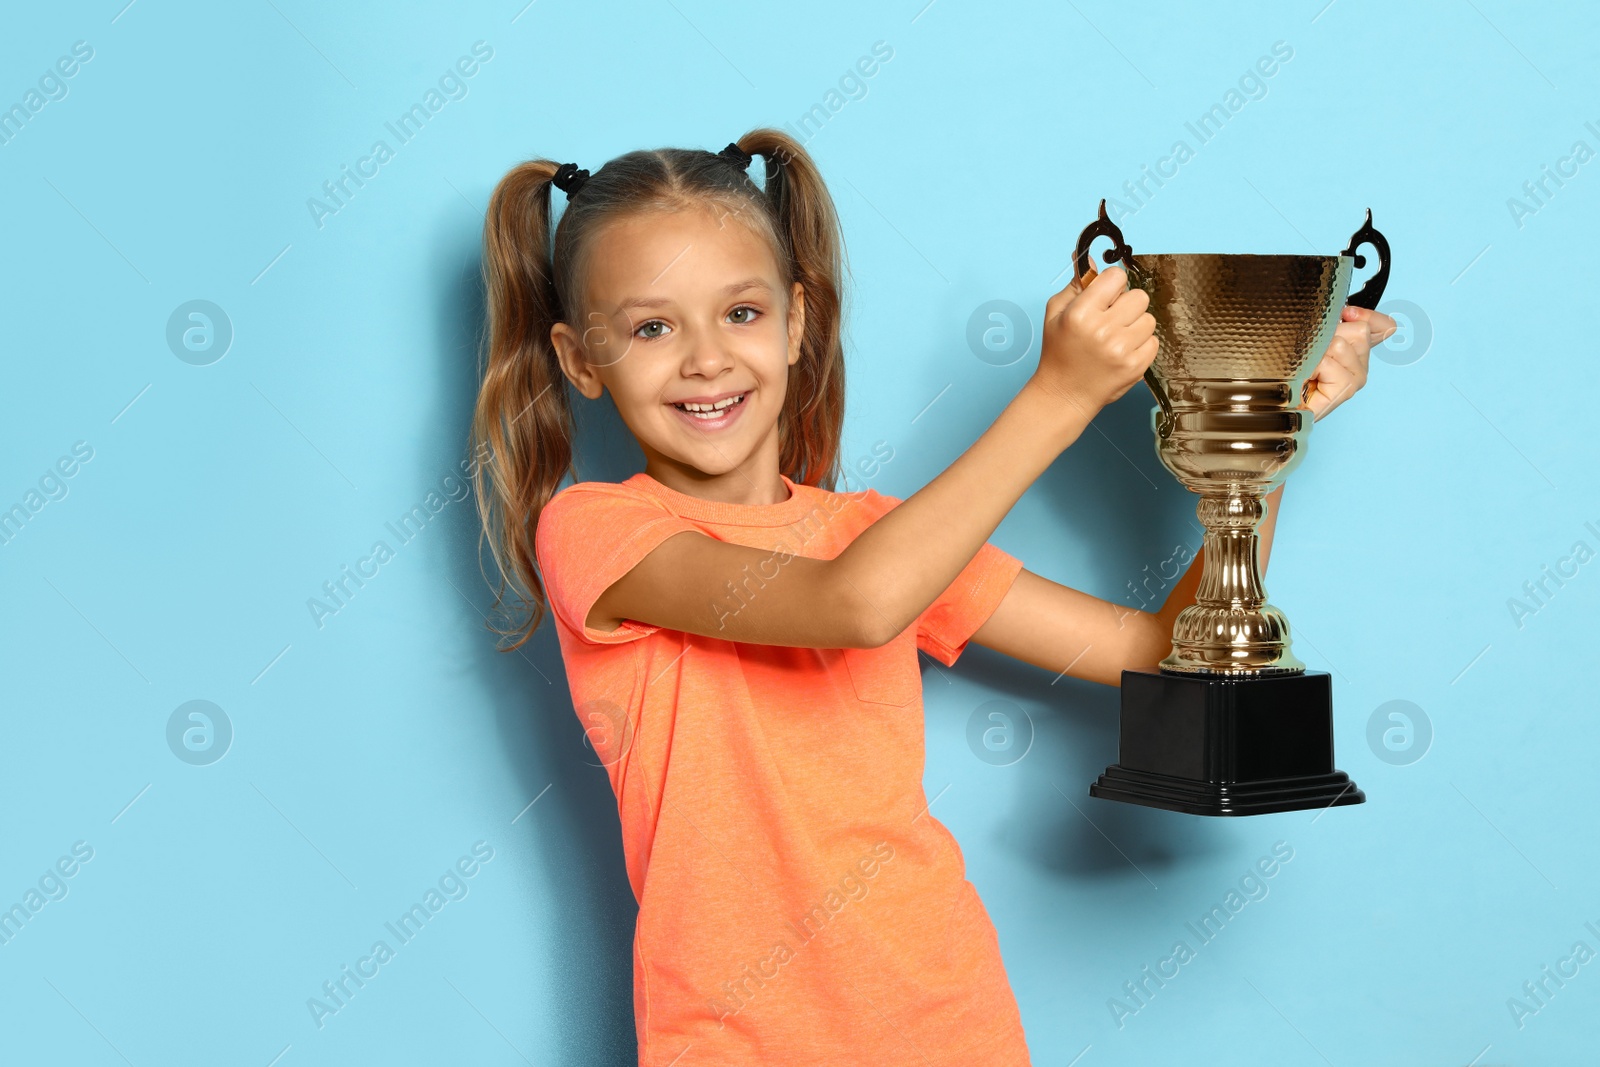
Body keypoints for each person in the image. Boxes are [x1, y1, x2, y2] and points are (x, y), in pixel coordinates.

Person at [468, 127, 1395, 1066]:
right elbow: (854, 603)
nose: (706, 359)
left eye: (740, 312)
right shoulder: (594, 531)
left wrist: (1266, 424)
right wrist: (1057, 398)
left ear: (796, 321)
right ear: (579, 359)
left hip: (947, 1023)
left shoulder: (883, 536)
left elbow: (1162, 652)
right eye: (651, 327)